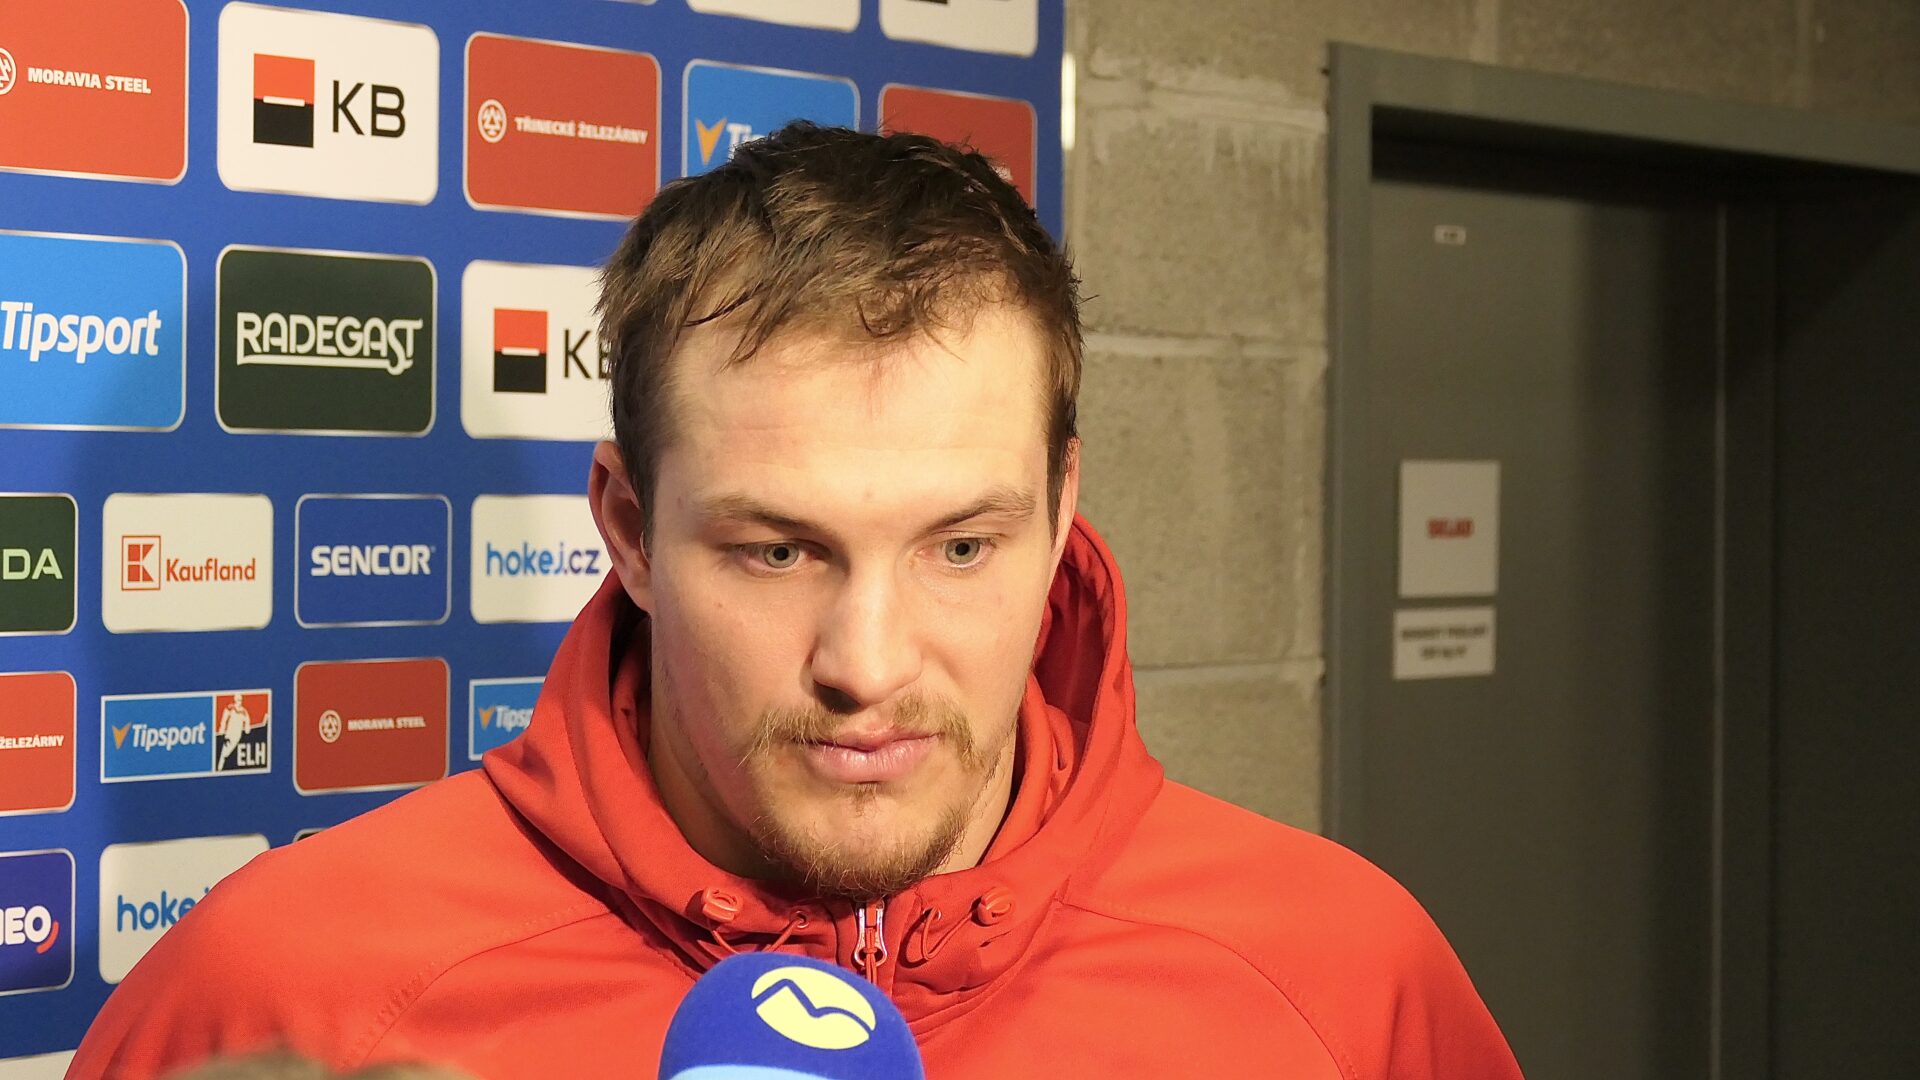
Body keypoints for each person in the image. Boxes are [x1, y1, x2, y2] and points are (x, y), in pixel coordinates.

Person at [72, 123, 1523, 1079]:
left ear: (1061, 511)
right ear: (629, 529)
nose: (867, 667)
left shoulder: (1344, 979)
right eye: (778, 552)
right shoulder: (293, 992)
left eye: (962, 547)